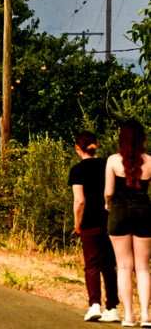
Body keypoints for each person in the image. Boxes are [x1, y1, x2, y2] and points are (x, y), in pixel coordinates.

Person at [68, 130, 120, 322]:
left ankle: (94, 304)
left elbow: (79, 201)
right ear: (96, 145)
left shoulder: (77, 170)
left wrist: (77, 224)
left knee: (91, 264)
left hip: (89, 221)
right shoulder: (109, 165)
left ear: (77, 148)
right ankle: (113, 307)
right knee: (109, 264)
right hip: (111, 219)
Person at [106, 119, 151, 327]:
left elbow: (108, 192)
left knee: (124, 267)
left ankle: (129, 316)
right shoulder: (150, 161)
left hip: (119, 212)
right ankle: (146, 316)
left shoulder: (113, 161)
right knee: (143, 268)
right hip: (143, 212)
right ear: (141, 139)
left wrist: (108, 205)